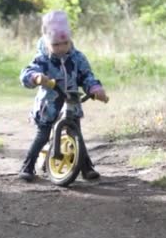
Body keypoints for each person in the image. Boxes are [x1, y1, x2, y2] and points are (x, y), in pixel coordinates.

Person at [18, 10, 108, 182]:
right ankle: (27, 166)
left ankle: (86, 167)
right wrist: (36, 78)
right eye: (55, 45)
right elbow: (27, 73)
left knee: (77, 135)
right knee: (42, 135)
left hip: (71, 102)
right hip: (49, 105)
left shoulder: (77, 58)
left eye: (65, 43)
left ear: (70, 40)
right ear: (47, 42)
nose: (61, 48)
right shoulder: (42, 59)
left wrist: (95, 89)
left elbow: (86, 76)